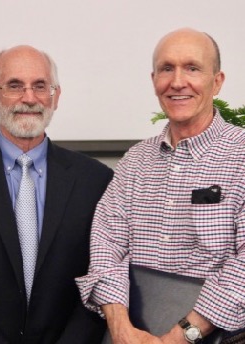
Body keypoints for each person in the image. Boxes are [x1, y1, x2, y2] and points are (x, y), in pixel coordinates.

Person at [76, 28, 245, 343]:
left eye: (192, 68)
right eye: (167, 68)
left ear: (217, 81)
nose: (177, 81)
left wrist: (181, 336)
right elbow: (106, 245)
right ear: (154, 79)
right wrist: (121, 329)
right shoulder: (135, 161)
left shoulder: (241, 156)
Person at [0, 45, 113, 343]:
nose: (29, 98)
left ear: (56, 96)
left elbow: (103, 275)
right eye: (14, 86)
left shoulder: (96, 181)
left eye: (40, 86)